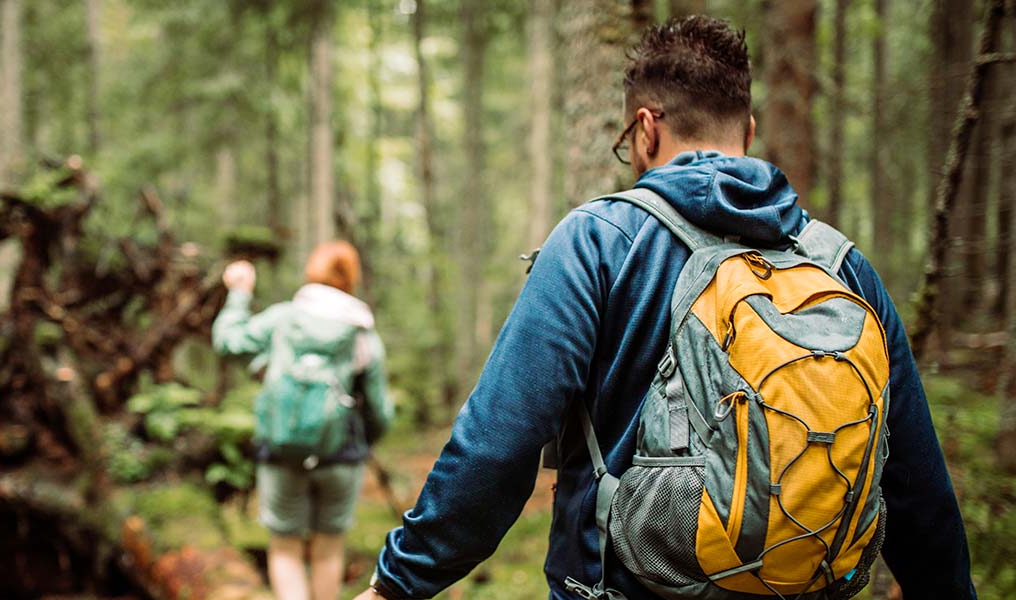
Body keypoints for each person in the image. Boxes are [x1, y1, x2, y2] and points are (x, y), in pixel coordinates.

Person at [355, 15, 975, 600]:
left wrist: (398, 582)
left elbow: (499, 443)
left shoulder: (599, 241)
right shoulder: (841, 266)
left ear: (646, 129)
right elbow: (917, 486)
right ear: (749, 132)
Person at [214, 241, 393, 600]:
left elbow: (229, 342)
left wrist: (238, 294)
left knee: (284, 548)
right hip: (342, 457)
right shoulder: (362, 332)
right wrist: (363, 443)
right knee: (328, 550)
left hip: (281, 452)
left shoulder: (284, 318)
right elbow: (379, 410)